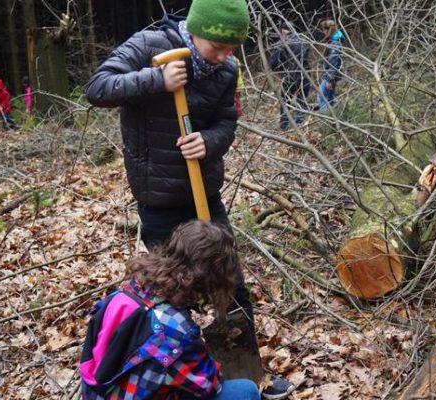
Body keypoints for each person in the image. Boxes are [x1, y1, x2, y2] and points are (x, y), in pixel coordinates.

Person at [85, 0, 294, 398]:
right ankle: (185, 374)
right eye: (219, 46)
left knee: (231, 283)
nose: (227, 56)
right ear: (197, 31)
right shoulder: (149, 45)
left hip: (205, 194)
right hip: (159, 198)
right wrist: (156, 79)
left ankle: (250, 373)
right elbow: (97, 87)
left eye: (234, 48)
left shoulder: (226, 70)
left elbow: (226, 123)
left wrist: (210, 142)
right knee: (174, 292)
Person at [80, 220, 261, 399]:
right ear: (213, 279)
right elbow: (208, 386)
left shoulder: (129, 289)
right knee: (245, 391)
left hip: (100, 392)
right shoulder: (177, 329)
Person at [270, 21, 311, 131]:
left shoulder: (281, 43)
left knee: (285, 102)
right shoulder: (303, 40)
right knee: (301, 100)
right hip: (304, 75)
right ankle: (300, 126)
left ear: (283, 30)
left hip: (289, 77)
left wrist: (281, 70)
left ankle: (284, 127)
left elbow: (273, 64)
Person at [317, 20, 343, 113]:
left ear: (328, 30)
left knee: (321, 97)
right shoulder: (333, 41)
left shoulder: (335, 43)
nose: (323, 33)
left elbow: (334, 63)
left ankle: (327, 118)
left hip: (331, 75)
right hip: (331, 74)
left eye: (324, 30)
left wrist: (329, 80)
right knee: (331, 98)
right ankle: (337, 116)